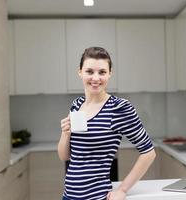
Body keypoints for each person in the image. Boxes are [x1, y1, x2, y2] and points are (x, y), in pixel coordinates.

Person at [58, 47, 156, 200]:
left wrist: (122, 189)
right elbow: (65, 156)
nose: (95, 78)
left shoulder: (119, 108)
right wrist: (65, 134)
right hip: (68, 196)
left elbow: (149, 153)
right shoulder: (77, 104)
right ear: (80, 72)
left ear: (110, 73)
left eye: (102, 72)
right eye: (89, 71)